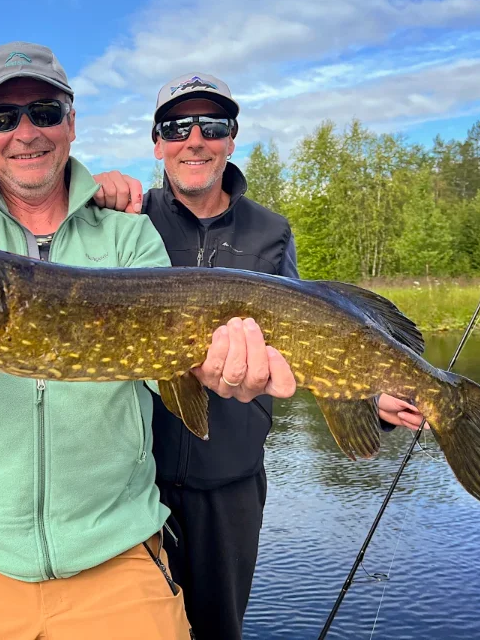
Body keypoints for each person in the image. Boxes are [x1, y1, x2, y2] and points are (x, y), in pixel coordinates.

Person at [0, 41, 297, 639]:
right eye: (3, 117)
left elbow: (170, 357)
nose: (26, 131)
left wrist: (206, 369)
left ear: (71, 123)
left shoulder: (129, 238)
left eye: (45, 112)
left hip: (119, 556)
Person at [109, 72, 425, 640]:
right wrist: (95, 187)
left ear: (232, 139)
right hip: (135, 485)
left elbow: (313, 332)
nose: (195, 139)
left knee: (219, 630)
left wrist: (375, 395)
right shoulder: (128, 222)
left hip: (231, 477)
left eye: (213, 126)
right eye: (177, 127)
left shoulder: (272, 232)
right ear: (157, 143)